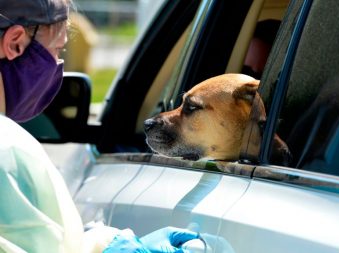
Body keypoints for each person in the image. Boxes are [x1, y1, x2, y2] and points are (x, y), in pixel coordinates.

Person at [0, 0, 197, 252]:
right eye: (57, 50)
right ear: (15, 42)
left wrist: (97, 242)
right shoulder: (9, 150)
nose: (58, 63)